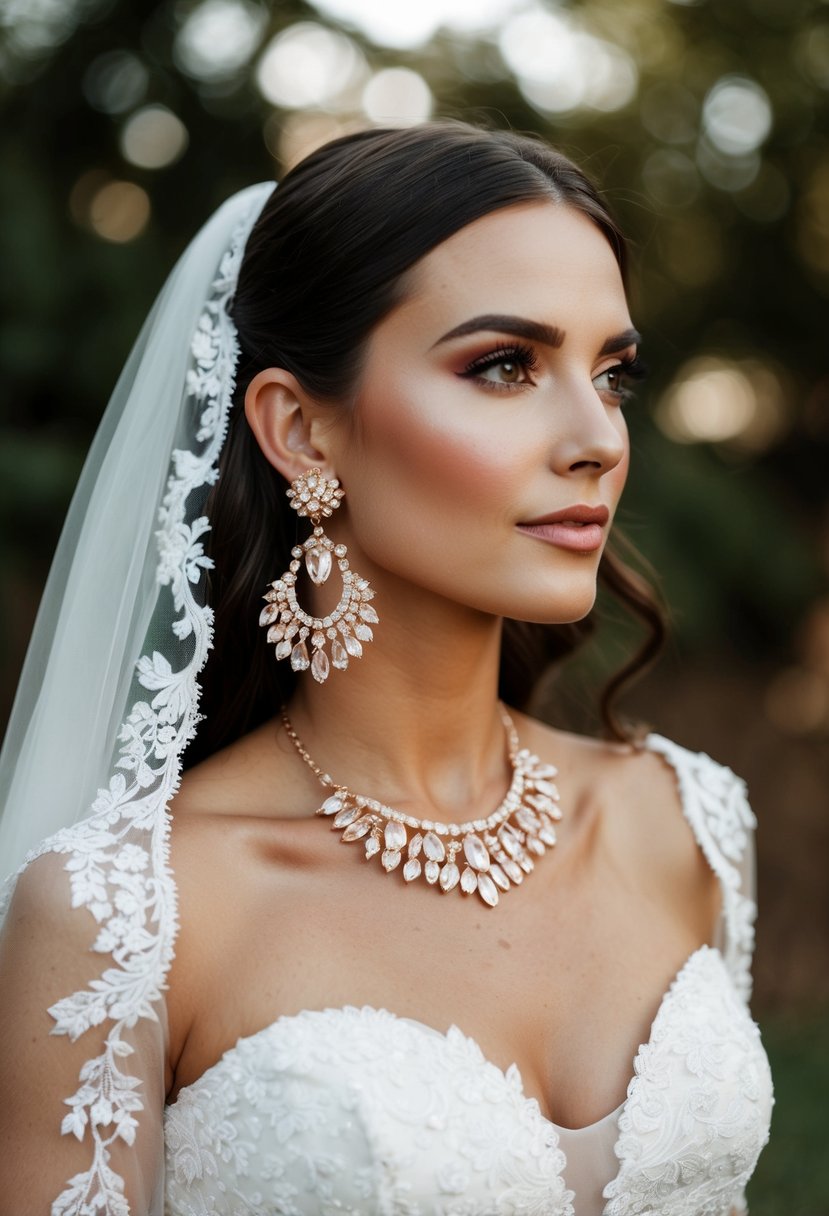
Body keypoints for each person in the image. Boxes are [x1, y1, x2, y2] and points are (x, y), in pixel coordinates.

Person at [0, 122, 773, 1216]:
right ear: (304, 431)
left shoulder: (687, 824)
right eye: (504, 365)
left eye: (612, 373)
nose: (596, 434)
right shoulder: (126, 911)